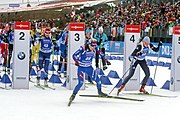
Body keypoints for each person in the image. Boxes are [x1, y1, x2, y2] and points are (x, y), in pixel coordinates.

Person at [68, 38, 108, 105]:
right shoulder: (83, 48)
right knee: (80, 82)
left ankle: (100, 91)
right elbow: (74, 55)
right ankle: (73, 95)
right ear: (89, 44)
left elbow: (101, 54)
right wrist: (76, 61)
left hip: (89, 68)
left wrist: (106, 61)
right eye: (92, 46)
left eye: (95, 46)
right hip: (81, 68)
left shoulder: (95, 48)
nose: (93, 47)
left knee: (98, 81)